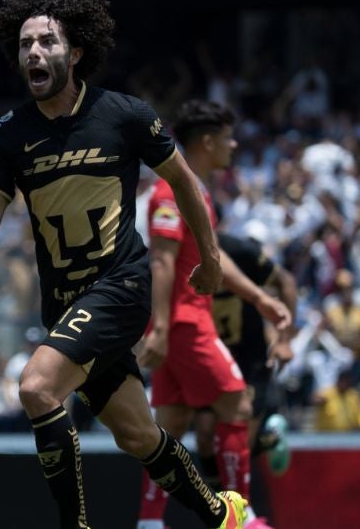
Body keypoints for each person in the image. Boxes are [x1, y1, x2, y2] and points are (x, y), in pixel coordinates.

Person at [0, 0, 250, 529]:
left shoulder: (124, 114)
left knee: (36, 386)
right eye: (25, 45)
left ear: (75, 52)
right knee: (138, 435)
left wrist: (209, 256)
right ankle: (222, 515)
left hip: (120, 288)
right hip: (66, 308)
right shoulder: (9, 135)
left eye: (47, 41)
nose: (34, 53)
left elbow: (185, 181)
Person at [136, 99, 291, 529]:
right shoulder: (170, 191)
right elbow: (162, 262)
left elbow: (213, 255)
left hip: (181, 323)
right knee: (238, 403)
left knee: (169, 426)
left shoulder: (196, 190)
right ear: (207, 142)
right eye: (227, 138)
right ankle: (239, 516)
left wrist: (258, 298)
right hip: (184, 323)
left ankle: (149, 522)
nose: (234, 144)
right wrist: (163, 328)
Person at [194, 233, 297, 528]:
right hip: (209, 357)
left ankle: (269, 439)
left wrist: (284, 339)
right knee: (204, 436)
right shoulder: (183, 251)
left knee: (241, 440)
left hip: (248, 359)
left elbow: (286, 283)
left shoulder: (241, 251)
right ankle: (224, 512)